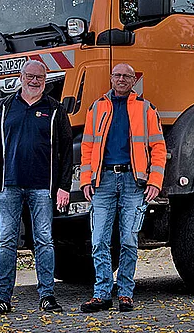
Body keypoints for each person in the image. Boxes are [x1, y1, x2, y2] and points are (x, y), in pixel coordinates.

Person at [0, 60, 73, 317]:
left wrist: (64, 187)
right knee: (6, 241)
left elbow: (66, 152)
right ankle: (1, 299)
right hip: (7, 186)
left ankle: (47, 296)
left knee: (44, 241)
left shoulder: (55, 110)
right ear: (21, 77)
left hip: (43, 188)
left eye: (40, 77)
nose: (34, 81)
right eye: (30, 76)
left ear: (46, 80)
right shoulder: (2, 108)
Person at [78, 63, 166, 313]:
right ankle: (102, 294)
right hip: (103, 182)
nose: (122, 79)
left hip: (133, 182)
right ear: (111, 78)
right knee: (99, 241)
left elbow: (158, 148)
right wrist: (86, 179)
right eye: (117, 75)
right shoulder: (97, 108)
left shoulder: (145, 108)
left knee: (128, 241)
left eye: (127, 76)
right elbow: (87, 147)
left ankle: (125, 293)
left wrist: (154, 182)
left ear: (133, 80)